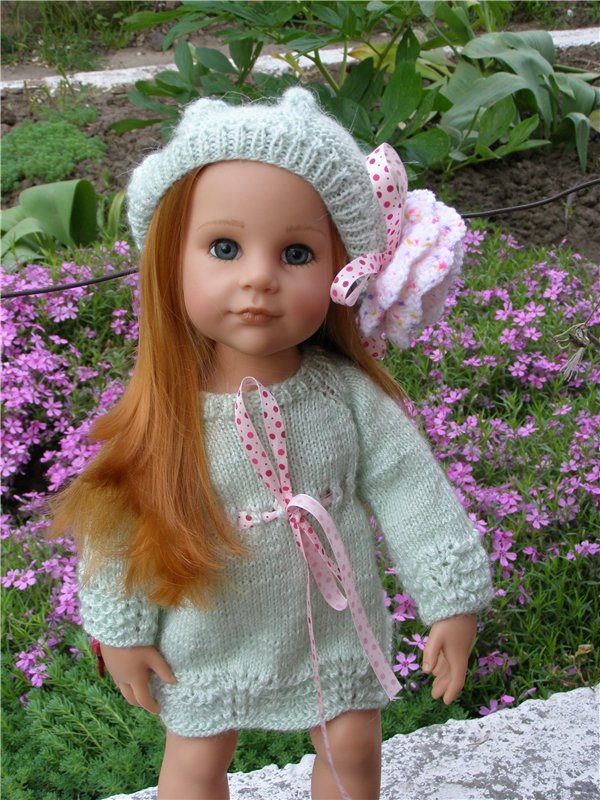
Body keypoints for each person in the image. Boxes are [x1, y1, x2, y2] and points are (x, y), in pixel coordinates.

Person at [52, 87, 493, 800]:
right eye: (224, 248)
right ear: (170, 259)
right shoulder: (168, 412)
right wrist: (121, 630)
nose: (259, 276)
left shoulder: (346, 396)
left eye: (296, 253)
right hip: (207, 623)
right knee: (196, 760)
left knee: (352, 748)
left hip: (334, 621)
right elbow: (121, 521)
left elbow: (411, 487)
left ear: (341, 271)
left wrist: (452, 599)